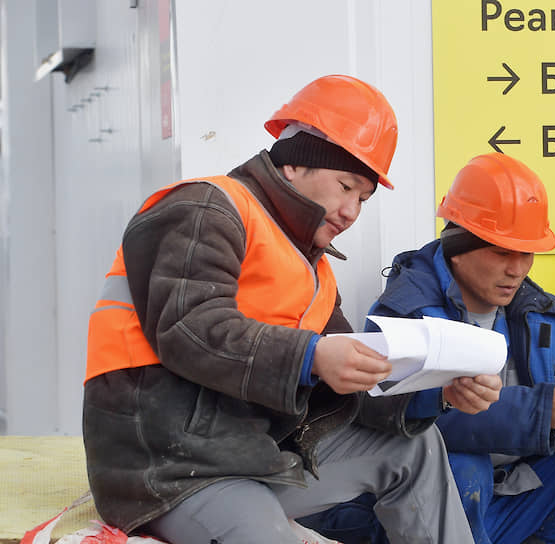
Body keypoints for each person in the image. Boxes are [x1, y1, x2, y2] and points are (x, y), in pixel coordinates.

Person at [81, 74, 501, 544]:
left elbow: (356, 378)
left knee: (415, 447)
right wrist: (312, 356)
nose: (352, 211)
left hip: (254, 457)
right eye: (346, 186)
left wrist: (440, 392)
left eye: (363, 198)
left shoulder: (313, 270)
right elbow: (190, 327)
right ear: (295, 163)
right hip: (169, 469)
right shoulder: (206, 209)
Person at [306, 152, 555, 544]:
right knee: (462, 468)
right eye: (503, 252)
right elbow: (399, 423)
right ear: (457, 246)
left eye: (527, 253)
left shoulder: (541, 314)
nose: (517, 269)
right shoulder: (404, 314)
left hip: (517, 491)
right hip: (432, 504)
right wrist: (541, 411)